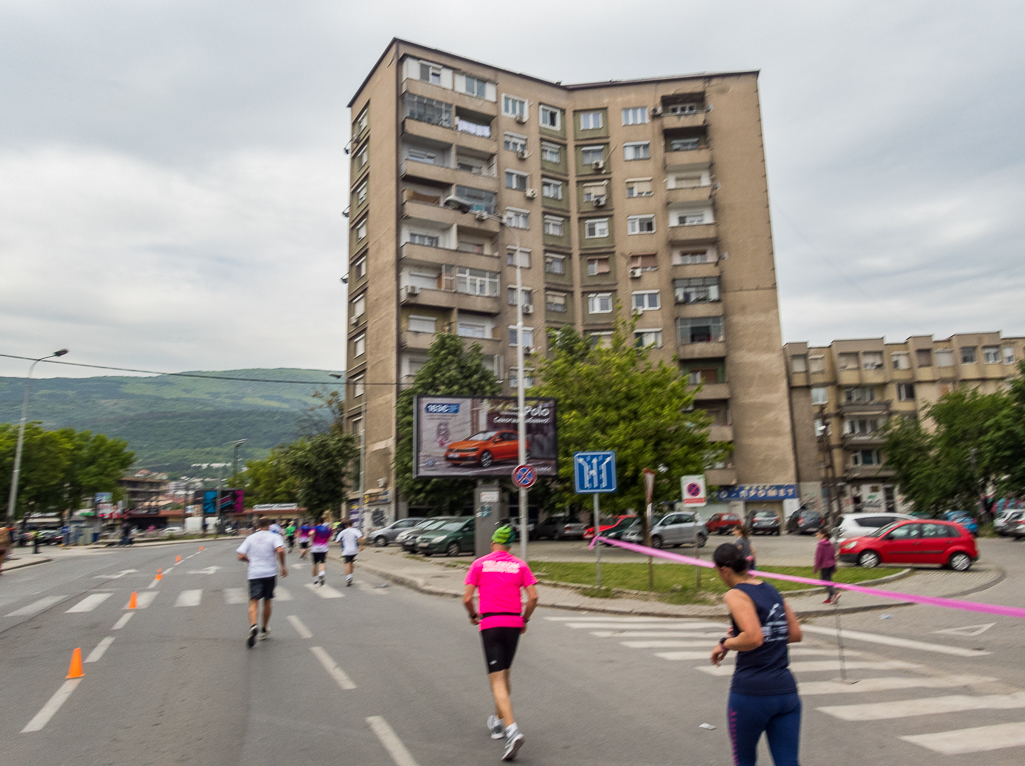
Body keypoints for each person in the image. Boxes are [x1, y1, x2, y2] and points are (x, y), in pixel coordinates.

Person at [710, 544, 803, 766]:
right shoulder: (771, 590)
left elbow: (753, 638)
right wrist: (746, 634)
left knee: (744, 761)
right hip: (786, 693)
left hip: (752, 694)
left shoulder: (735, 594)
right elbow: (794, 633)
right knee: (788, 761)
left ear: (724, 570)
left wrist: (725, 644)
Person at [462, 525, 539, 762]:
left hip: (491, 624)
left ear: (493, 542)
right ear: (510, 545)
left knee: (496, 679)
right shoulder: (520, 565)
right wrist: (525, 619)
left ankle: (512, 730)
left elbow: (466, 598)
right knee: (504, 676)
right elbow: (533, 597)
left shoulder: (479, 564)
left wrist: (472, 615)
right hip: (513, 625)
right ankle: (497, 723)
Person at [236, 517, 287, 648]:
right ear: (269, 525)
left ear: (257, 525)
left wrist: (249, 560)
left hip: (254, 574)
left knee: (254, 601)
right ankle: (264, 629)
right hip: (270, 573)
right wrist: (282, 565)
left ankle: (253, 625)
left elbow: (240, 555)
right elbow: (280, 550)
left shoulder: (250, 538)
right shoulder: (274, 537)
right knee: (268, 600)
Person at [335, 520, 364, 586]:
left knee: (347, 563)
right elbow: (360, 538)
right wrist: (361, 546)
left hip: (346, 550)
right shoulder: (355, 530)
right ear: (352, 525)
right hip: (354, 550)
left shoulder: (343, 532)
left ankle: (348, 578)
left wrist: (340, 541)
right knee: (351, 562)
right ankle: (350, 575)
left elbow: (337, 541)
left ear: (345, 526)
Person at [813, 528, 837, 604]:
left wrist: (816, 567)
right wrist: (835, 566)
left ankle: (835, 593)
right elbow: (833, 555)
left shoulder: (820, 545)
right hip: (831, 565)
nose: (817, 535)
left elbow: (818, 557)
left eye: (818, 534)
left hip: (825, 566)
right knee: (829, 581)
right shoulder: (830, 544)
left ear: (822, 535)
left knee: (824, 581)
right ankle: (830, 598)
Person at [310, 517, 333, 586]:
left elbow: (311, 533)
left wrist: (312, 540)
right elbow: (329, 538)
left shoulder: (315, 528)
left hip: (315, 548)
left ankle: (315, 579)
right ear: (324, 522)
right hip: (323, 548)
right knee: (322, 562)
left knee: (314, 563)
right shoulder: (327, 529)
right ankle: (321, 573)